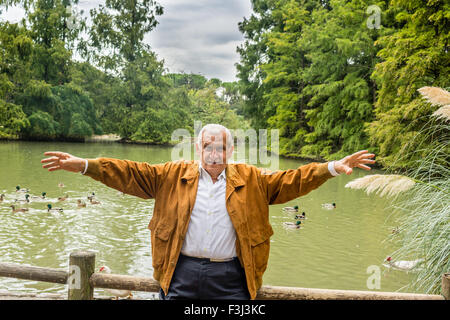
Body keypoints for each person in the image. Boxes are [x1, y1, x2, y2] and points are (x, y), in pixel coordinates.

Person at [40, 123, 376, 300]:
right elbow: (128, 171)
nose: (213, 151)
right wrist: (84, 164)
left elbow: (294, 179)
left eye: (220, 145)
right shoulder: (170, 176)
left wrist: (332, 167)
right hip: (180, 273)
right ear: (197, 147)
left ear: (231, 149)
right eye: (207, 145)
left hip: (233, 278)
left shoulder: (252, 179)